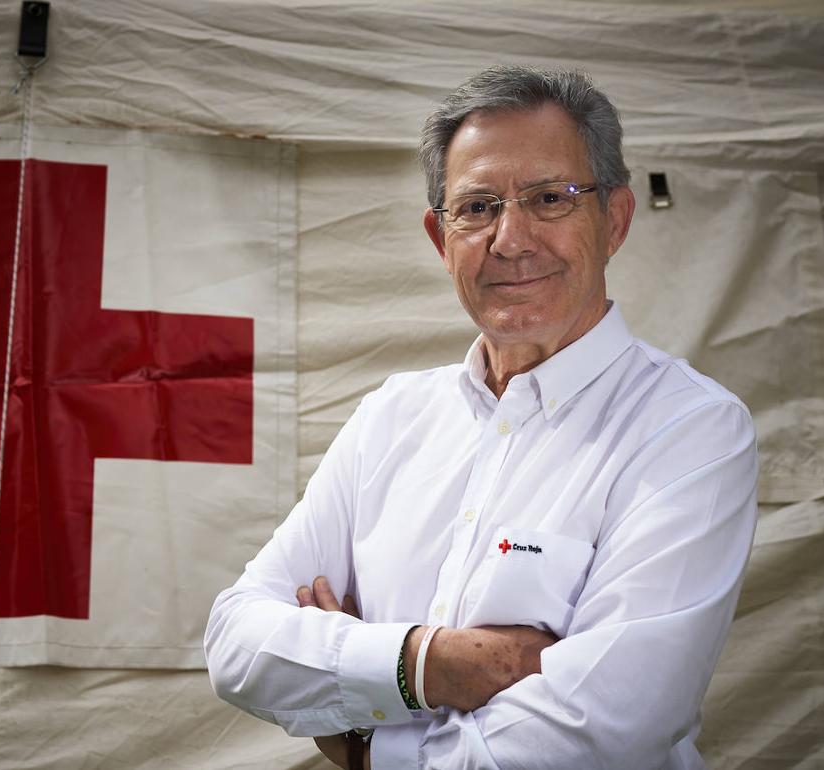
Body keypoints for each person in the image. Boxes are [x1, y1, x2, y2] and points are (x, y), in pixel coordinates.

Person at [204, 65, 759, 770]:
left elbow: (613, 720)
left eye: (550, 198)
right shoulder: (391, 418)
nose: (511, 238)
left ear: (614, 219)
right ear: (441, 240)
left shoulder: (691, 428)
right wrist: (431, 661)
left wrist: (372, 737)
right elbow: (236, 642)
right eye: (477, 208)